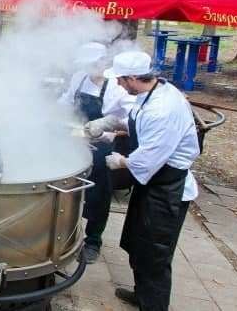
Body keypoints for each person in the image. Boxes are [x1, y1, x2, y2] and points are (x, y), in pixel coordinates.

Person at [86, 51, 200, 311]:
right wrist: (109, 125)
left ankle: (153, 305)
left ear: (134, 77)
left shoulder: (164, 109)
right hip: (151, 185)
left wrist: (121, 162)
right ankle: (142, 294)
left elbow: (150, 159)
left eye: (120, 80)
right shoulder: (150, 93)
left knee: (156, 253)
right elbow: (137, 123)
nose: (117, 84)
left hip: (167, 188)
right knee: (138, 243)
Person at [57, 43, 130, 264]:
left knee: (98, 195)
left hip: (101, 147)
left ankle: (93, 241)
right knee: (67, 189)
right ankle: (63, 234)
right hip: (74, 140)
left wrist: (109, 131)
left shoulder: (116, 87)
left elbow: (131, 119)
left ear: (103, 61)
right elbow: (67, 101)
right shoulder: (79, 77)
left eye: (93, 64)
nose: (89, 68)